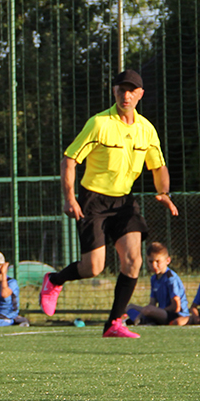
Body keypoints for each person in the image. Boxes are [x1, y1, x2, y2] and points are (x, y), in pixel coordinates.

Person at [39, 69, 179, 338]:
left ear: (140, 94)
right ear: (114, 91)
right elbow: (69, 160)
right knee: (93, 267)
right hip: (93, 199)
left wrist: (163, 192)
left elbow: (158, 165)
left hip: (124, 201)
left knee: (134, 260)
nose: (126, 95)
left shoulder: (146, 129)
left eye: (132, 90)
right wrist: (70, 198)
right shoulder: (99, 123)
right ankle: (54, 280)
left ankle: (114, 322)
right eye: (121, 89)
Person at [125, 242, 189, 326]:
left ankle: (141, 320)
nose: (154, 265)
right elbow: (152, 303)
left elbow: (176, 307)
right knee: (129, 307)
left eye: (157, 261)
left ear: (167, 260)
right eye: (150, 262)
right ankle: (143, 320)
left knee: (148, 310)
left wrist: (155, 311)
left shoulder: (171, 278)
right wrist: (152, 312)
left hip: (175, 315)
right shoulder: (153, 278)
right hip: (159, 312)